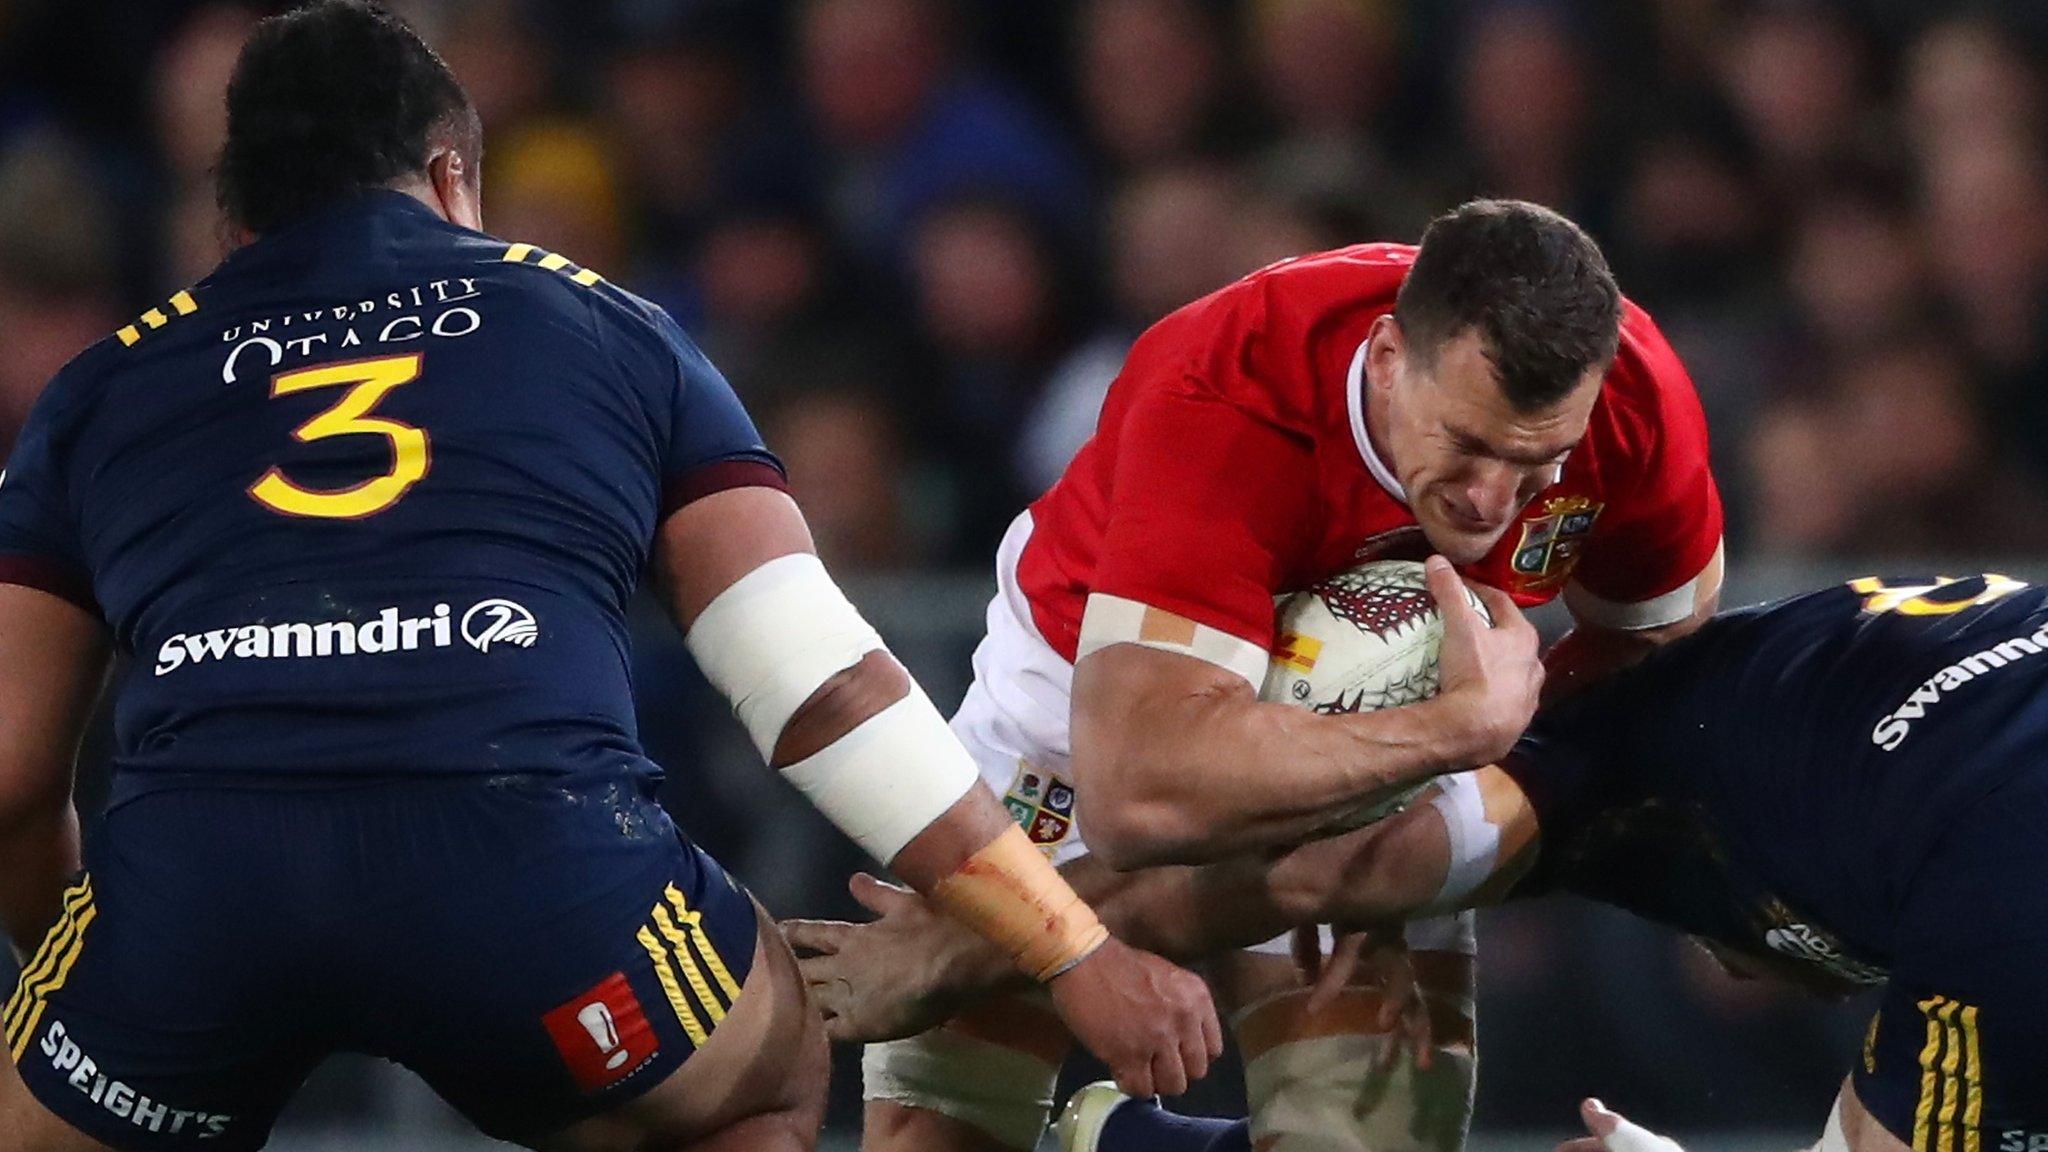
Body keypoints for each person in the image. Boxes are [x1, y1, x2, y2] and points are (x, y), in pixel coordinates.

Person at [0, 5, 1222, 1152]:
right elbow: (815, 682)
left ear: (234, 225)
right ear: (449, 179)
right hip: (532, 889)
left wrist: (95, 975)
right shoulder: (603, 322)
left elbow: (7, 775)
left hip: (196, 905)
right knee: (765, 1062)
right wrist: (1071, 951)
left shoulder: (101, 386)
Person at [821, 198, 1726, 1152]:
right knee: (939, 1136)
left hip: (1404, 742)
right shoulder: (1229, 384)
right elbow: (1140, 799)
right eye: (1466, 445)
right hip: (1092, 709)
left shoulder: (1637, 399)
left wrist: (1401, 842)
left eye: (1537, 461)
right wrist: (1460, 732)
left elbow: (1655, 651)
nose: (1494, 501)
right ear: (1386, 358)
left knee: (1365, 1136)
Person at [804, 572, 2048, 1152]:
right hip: (1642, 771)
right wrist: (997, 940)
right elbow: (1268, 874)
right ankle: (996, 1005)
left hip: (1859, 744)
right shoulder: (2013, 917)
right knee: (1317, 876)